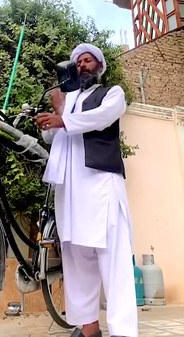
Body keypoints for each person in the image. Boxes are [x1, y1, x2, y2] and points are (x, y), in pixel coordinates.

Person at [35, 43, 138, 337]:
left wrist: (62, 117)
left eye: (87, 59)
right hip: (70, 190)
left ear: (100, 66)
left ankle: (123, 332)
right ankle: (89, 328)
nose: (81, 64)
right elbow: (51, 137)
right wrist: (52, 119)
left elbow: (101, 118)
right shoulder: (66, 102)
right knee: (76, 258)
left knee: (113, 262)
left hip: (101, 185)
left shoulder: (112, 94)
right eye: (77, 61)